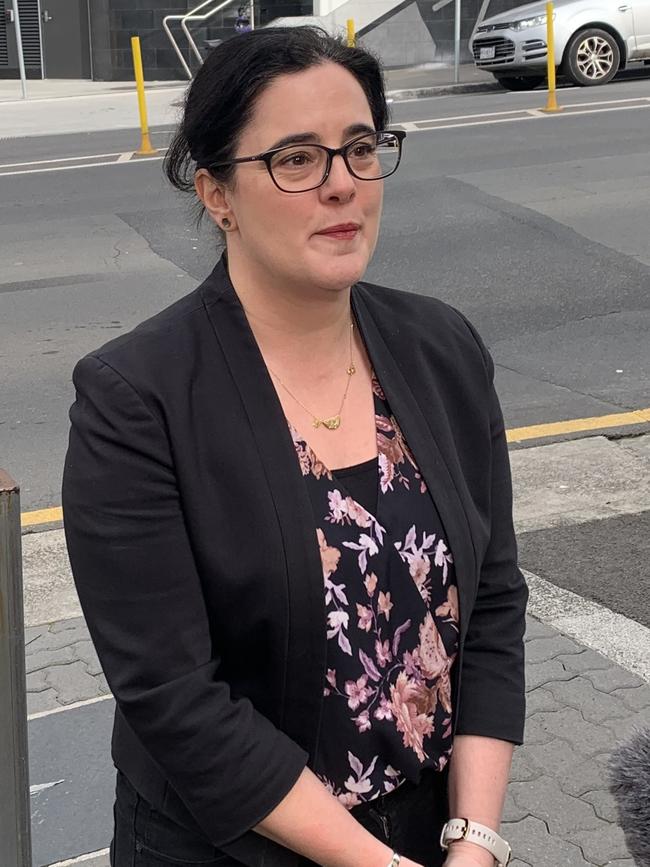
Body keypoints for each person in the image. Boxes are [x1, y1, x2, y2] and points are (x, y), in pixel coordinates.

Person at [62, 26, 528, 867]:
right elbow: (174, 696)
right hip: (233, 846)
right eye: (297, 160)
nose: (342, 186)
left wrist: (475, 839)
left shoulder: (443, 348)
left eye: (359, 149)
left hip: (435, 833)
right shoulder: (137, 400)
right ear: (217, 192)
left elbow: (492, 601)